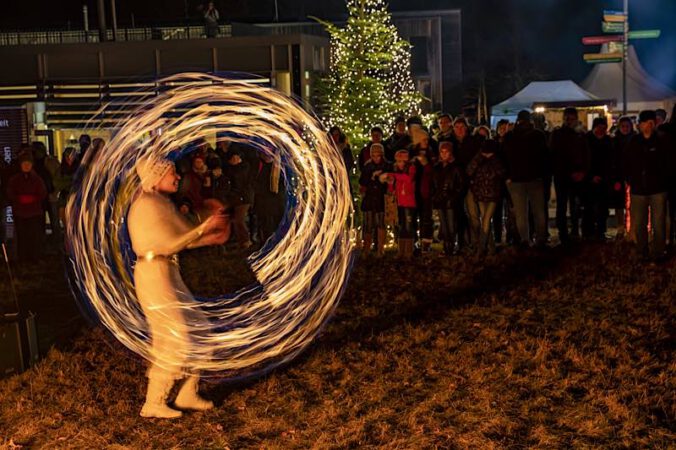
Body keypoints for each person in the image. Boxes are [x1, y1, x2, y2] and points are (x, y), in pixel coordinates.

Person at [128, 155, 229, 419]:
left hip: (167, 271)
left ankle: (186, 393)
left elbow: (181, 238)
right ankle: (154, 401)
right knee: (177, 336)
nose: (178, 177)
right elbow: (170, 244)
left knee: (200, 331)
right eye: (171, 173)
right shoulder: (147, 204)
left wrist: (208, 237)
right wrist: (204, 229)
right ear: (156, 176)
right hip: (153, 274)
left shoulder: (160, 202)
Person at [623, 110, 672, 261]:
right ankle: (642, 251)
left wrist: (664, 181)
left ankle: (659, 251)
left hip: (658, 189)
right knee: (639, 223)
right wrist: (630, 179)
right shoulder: (634, 142)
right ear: (640, 124)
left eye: (651, 122)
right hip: (638, 189)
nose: (649, 126)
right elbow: (627, 163)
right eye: (646, 123)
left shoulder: (662, 141)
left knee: (658, 222)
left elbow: (667, 164)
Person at [503, 110, 549, 248]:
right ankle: (540, 239)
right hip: (535, 178)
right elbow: (544, 157)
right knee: (538, 211)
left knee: (520, 213)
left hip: (516, 179)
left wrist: (508, 176)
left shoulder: (510, 136)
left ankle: (524, 239)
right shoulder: (538, 135)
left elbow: (505, 157)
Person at [550, 107, 590, 244]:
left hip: (575, 175)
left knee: (575, 205)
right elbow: (556, 156)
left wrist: (582, 171)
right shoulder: (558, 134)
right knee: (562, 205)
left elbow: (586, 155)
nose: (569, 121)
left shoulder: (580, 135)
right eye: (567, 118)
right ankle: (563, 232)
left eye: (571, 119)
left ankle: (573, 230)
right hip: (563, 175)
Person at [466, 139, 506, 255]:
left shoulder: (496, 160)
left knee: (486, 219)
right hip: (481, 194)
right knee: (485, 220)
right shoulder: (479, 159)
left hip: (491, 195)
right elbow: (469, 171)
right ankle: (490, 248)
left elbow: (501, 173)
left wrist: (492, 158)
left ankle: (482, 247)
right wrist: (480, 157)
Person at [6, 151, 48, 262]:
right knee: (22, 237)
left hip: (34, 212)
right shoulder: (15, 179)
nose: (26, 166)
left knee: (34, 237)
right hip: (20, 213)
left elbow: (43, 193)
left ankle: (34, 258)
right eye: (24, 164)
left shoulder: (37, 179)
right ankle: (23, 258)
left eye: (28, 164)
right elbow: (10, 193)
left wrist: (32, 199)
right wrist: (19, 199)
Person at [432, 141, 465, 255]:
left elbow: (461, 185)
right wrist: (435, 196)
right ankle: (447, 247)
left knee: (451, 225)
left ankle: (451, 246)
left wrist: (453, 196)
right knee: (444, 225)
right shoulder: (437, 167)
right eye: (442, 152)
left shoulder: (456, 167)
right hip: (440, 199)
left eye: (446, 152)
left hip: (451, 201)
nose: (444, 154)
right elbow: (434, 184)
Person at [358, 144, 390, 257]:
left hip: (381, 198)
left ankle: (380, 249)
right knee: (367, 224)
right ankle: (366, 248)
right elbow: (362, 182)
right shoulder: (367, 166)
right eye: (374, 155)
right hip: (369, 198)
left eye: (378, 155)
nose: (376, 158)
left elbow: (390, 181)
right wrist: (372, 177)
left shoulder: (386, 166)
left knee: (380, 224)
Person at [409, 128, 437, 253]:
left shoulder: (430, 152)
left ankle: (426, 242)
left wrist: (426, 164)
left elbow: (434, 171)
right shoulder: (411, 152)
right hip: (413, 191)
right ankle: (414, 241)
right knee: (413, 217)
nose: (427, 141)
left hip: (425, 190)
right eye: (424, 139)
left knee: (426, 217)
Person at [384, 150, 416, 259]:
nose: (400, 163)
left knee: (408, 226)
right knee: (401, 226)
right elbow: (392, 187)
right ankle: (401, 250)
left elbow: (408, 179)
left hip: (408, 202)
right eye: (398, 161)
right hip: (399, 202)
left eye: (402, 161)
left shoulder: (411, 169)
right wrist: (390, 185)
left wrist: (393, 175)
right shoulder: (396, 171)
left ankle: (408, 251)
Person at [585, 117, 612, 240]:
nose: (601, 130)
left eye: (603, 128)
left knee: (603, 207)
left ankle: (601, 231)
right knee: (589, 207)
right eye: (599, 127)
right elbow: (583, 160)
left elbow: (611, 161)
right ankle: (588, 231)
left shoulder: (608, 141)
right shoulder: (586, 140)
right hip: (589, 180)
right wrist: (590, 176)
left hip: (604, 179)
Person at [609, 116, 634, 239]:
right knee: (619, 203)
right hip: (618, 176)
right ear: (619, 127)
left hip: (632, 177)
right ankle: (620, 227)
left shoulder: (635, 140)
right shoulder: (614, 141)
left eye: (627, 126)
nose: (625, 128)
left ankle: (631, 227)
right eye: (623, 126)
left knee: (631, 203)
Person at [223, 151, 253, 249]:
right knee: (235, 220)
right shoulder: (229, 169)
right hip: (236, 198)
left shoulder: (244, 167)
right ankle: (241, 241)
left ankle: (246, 240)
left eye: (236, 157)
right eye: (233, 158)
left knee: (239, 220)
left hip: (244, 197)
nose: (235, 160)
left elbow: (240, 180)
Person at [254, 153, 286, 245]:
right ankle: (266, 243)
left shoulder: (280, 166)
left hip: (277, 200)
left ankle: (279, 242)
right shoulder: (259, 165)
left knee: (277, 222)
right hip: (264, 201)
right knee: (265, 223)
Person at [52, 147, 78, 232]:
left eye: (72, 156)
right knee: (65, 219)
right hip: (64, 198)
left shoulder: (79, 169)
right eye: (67, 157)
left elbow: (81, 182)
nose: (70, 159)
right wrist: (71, 181)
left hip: (76, 198)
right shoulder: (61, 169)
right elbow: (57, 183)